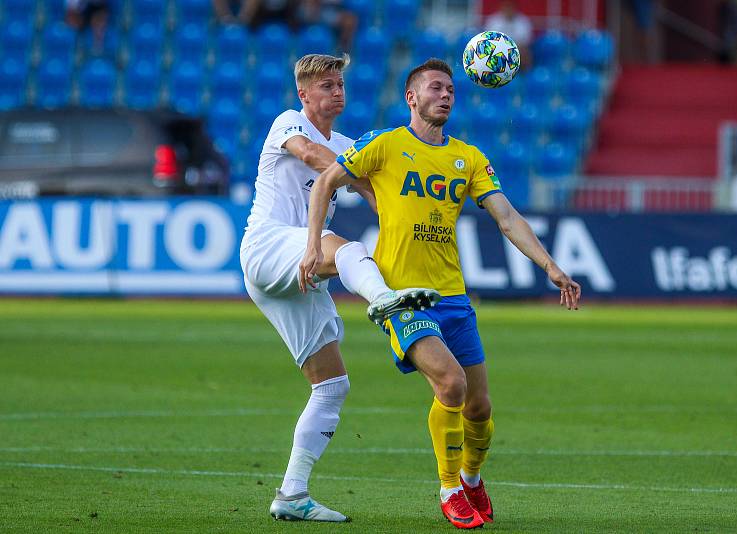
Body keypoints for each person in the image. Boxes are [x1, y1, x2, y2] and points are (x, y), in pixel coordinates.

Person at [301, 58, 581, 529]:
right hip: (401, 295)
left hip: (452, 296)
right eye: (435, 88)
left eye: (451, 89)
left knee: (479, 406)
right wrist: (313, 244)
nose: (446, 95)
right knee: (450, 384)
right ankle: (450, 488)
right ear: (412, 97)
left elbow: (507, 218)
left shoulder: (468, 157)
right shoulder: (386, 146)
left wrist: (550, 265)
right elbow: (327, 181)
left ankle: (472, 477)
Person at [240, 53, 440, 522]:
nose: (337, 93)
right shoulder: (288, 123)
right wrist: (355, 167)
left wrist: (396, 208)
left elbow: (374, 191)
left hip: (298, 274)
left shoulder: (349, 143)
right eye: (327, 86)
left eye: (340, 85)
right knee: (347, 249)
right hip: (270, 247)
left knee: (331, 386)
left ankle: (291, 495)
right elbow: (315, 159)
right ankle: (386, 302)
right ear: (304, 95)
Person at [485, 0, 532, 70]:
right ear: (502, 7)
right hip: (496, 49)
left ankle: (523, 76)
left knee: (525, 53)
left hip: (516, 50)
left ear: (514, 8)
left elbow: (524, 43)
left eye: (510, 7)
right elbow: (488, 40)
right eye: (506, 7)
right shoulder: (493, 21)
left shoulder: (523, 21)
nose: (508, 10)